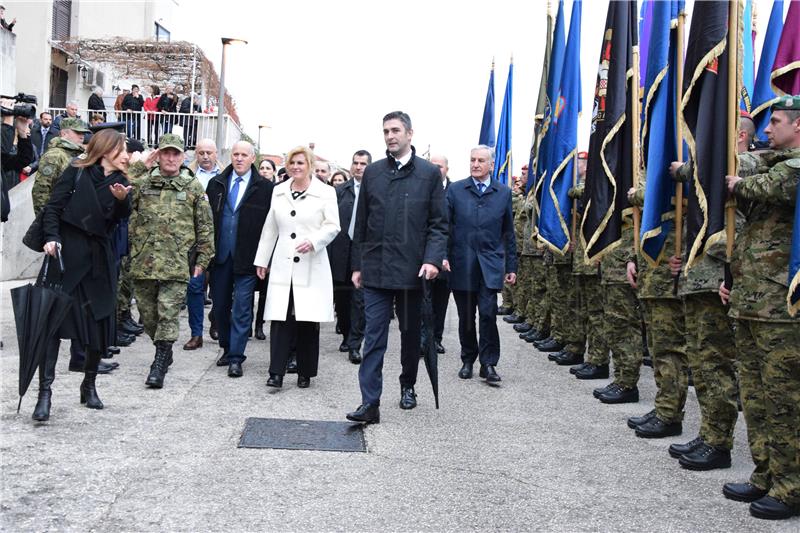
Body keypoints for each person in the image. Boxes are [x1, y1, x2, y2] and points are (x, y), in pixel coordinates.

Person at [719, 95, 800, 520]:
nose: (768, 130)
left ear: (799, 127)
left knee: (783, 398)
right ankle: (765, 473)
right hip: (752, 299)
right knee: (754, 396)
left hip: (780, 307)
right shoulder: (775, 159)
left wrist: (736, 178)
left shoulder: (793, 168)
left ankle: (791, 487)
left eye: (778, 122)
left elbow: (768, 184)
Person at [346, 111, 447, 424]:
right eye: (386, 131)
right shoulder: (374, 173)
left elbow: (438, 224)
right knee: (373, 336)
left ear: (410, 134)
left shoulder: (429, 174)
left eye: (396, 131)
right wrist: (357, 265)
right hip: (375, 269)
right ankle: (369, 402)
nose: (390, 136)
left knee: (409, 334)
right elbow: (360, 223)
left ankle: (408, 385)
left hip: (411, 272)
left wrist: (431, 259)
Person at [35, 129, 133, 420]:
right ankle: (45, 394)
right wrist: (51, 237)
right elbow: (53, 208)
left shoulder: (122, 183)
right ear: (106, 151)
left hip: (98, 262)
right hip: (66, 258)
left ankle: (88, 385)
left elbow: (118, 221)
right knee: (51, 329)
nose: (127, 155)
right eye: (122, 149)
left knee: (96, 329)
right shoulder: (77, 172)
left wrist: (120, 202)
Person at [128, 134, 214, 389]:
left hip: (176, 263)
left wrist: (203, 258)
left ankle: (159, 362)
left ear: (182, 157)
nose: (171, 158)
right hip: (143, 260)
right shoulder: (143, 182)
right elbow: (119, 187)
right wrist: (140, 165)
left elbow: (205, 225)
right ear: (159, 155)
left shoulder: (192, 186)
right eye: (166, 153)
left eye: (176, 154)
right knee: (148, 315)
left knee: (168, 313)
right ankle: (163, 349)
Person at [254, 145, 339, 388]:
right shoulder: (279, 191)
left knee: (307, 319)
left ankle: (305, 371)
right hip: (283, 263)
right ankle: (276, 372)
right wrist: (262, 259)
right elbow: (270, 227)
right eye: (292, 163)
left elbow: (333, 226)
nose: (295, 167)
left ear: (310, 166)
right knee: (280, 318)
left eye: (301, 163)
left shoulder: (325, 193)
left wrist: (314, 241)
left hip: (311, 263)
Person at [447, 146, 516, 382]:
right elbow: (444, 228)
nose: (475, 164)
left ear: (491, 165)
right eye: (472, 160)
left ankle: (488, 364)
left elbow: (509, 233)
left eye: (481, 160)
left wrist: (512, 267)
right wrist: (442, 257)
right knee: (466, 317)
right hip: (462, 263)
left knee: (487, 314)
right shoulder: (456, 190)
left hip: (490, 265)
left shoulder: (503, 192)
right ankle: (468, 359)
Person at [207, 141, 273, 377]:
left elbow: (270, 226)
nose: (239, 158)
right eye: (235, 154)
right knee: (221, 306)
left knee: (243, 308)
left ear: (252, 157)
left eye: (244, 155)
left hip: (248, 258)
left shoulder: (265, 188)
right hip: (221, 256)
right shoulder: (217, 184)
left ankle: (236, 356)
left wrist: (265, 259)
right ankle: (226, 348)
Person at [328, 150, 372, 364]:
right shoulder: (339, 191)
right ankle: (346, 334)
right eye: (355, 162)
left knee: (359, 300)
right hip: (340, 252)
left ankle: (355, 344)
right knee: (343, 300)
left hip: (363, 253)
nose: (358, 167)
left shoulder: (374, 191)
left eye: (363, 163)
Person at [182, 138, 222, 350]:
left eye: (209, 152)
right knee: (195, 287)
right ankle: (196, 333)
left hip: (220, 239)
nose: (205, 156)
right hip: (195, 243)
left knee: (220, 287)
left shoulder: (225, 176)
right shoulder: (187, 176)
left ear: (216, 154)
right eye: (201, 152)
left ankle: (216, 321)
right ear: (195, 154)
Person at [425, 154, 452, 354]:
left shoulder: (455, 191)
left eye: (440, 166)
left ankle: (436, 338)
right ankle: (422, 339)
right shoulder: (421, 188)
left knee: (440, 301)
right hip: (424, 256)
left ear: (446, 169)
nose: (436, 169)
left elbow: (452, 228)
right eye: (432, 166)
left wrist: (444, 255)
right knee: (422, 300)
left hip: (447, 258)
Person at [252, 157, 279, 340]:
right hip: (253, 244)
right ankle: (247, 324)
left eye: (268, 168)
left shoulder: (278, 192)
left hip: (271, 246)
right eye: (261, 168)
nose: (264, 171)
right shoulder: (253, 188)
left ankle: (259, 325)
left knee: (264, 292)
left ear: (274, 172)